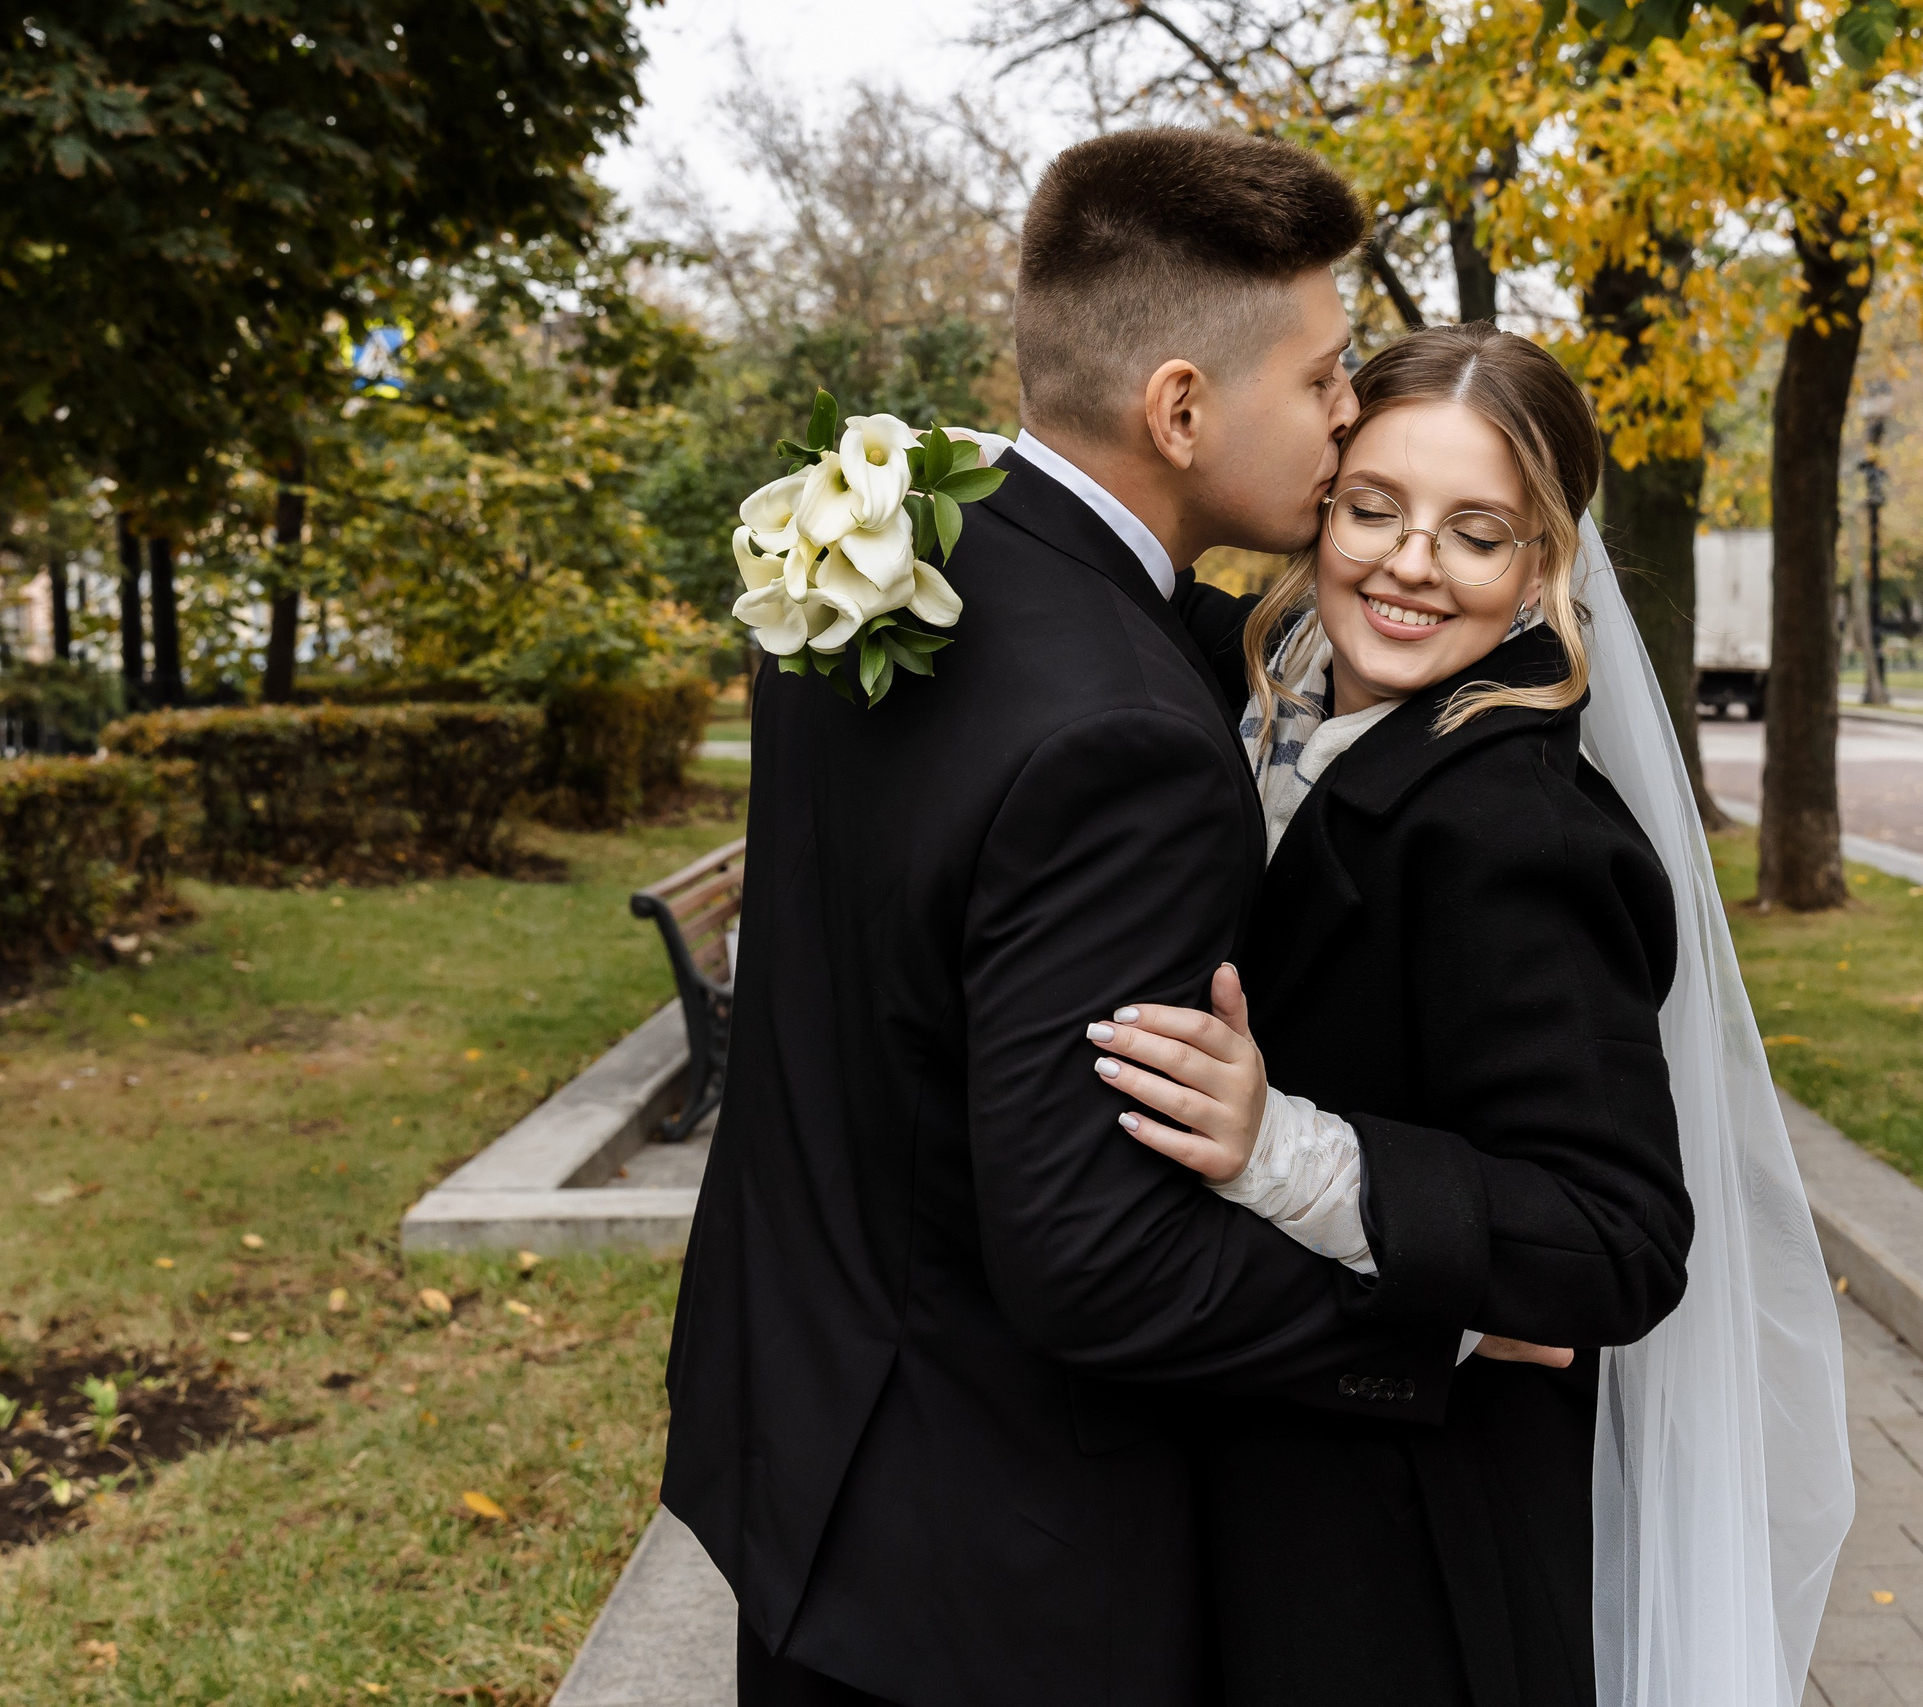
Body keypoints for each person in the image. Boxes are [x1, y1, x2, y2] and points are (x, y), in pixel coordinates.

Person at [662, 130, 1517, 1707]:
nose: (1350, 415)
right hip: (989, 1574)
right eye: (1327, 380)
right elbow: (1094, 1260)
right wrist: (1440, 1331)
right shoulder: (1122, 740)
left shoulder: (889, 563)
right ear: (1180, 407)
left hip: (800, 1457)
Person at [1098, 324, 1854, 1706]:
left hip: (1406, 1563)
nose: (1406, 565)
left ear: (1543, 568)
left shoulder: (1521, 832)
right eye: (1373, 508)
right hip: (1250, 1500)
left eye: (1475, 532)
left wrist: (1288, 1151)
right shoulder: (1274, 700)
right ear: (1319, 506)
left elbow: (1617, 1241)